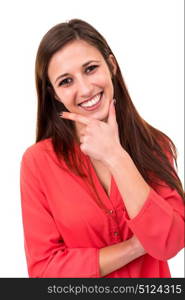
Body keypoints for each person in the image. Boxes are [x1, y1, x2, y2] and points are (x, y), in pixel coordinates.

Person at [20, 19, 184, 278]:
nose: (85, 89)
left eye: (91, 68)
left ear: (112, 66)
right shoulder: (38, 162)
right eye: (66, 81)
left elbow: (170, 242)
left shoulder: (155, 146)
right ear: (54, 94)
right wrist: (133, 247)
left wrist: (116, 156)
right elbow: (44, 272)